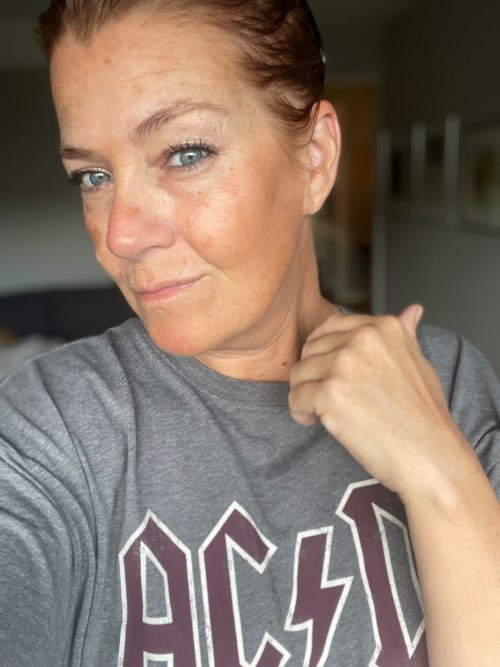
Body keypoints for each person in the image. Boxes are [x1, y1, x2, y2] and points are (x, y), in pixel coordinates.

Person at [0, 0, 499, 665]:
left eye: (185, 153)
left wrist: (442, 478)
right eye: (93, 176)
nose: (120, 235)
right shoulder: (50, 430)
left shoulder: (449, 384)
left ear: (315, 159)